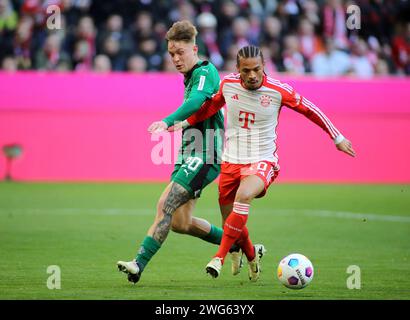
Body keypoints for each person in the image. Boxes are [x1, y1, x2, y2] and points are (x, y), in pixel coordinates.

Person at [168, 45, 356, 280]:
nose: (252, 75)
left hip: (262, 160)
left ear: (264, 66)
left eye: (257, 69)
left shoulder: (278, 90)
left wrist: (336, 137)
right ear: (238, 69)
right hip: (231, 162)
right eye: (246, 71)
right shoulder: (228, 85)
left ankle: (219, 257)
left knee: (243, 196)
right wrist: (184, 123)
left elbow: (310, 110)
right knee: (232, 226)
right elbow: (210, 108)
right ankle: (251, 254)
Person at [117, 20, 228, 284]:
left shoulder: (204, 71)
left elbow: (196, 101)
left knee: (164, 204)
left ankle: (138, 264)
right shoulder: (190, 77)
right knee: (180, 222)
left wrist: (167, 121)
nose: (176, 59)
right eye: (171, 54)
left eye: (180, 52)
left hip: (205, 154)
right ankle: (238, 244)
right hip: (189, 154)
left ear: (195, 48)